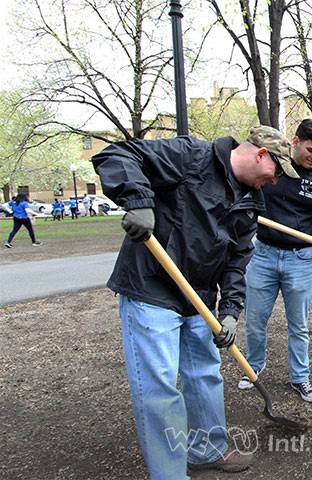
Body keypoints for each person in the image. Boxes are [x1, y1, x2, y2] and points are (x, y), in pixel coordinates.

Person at [91, 125, 298, 479]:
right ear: (261, 154)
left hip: (198, 297)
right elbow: (117, 155)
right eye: (276, 171)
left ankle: (207, 451)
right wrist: (139, 202)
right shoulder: (192, 156)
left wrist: (230, 312)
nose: (275, 180)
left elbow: (237, 261)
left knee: (204, 375)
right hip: (151, 287)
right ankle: (170, 474)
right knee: (158, 388)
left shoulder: (250, 203)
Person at [239, 119, 312, 403]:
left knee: (298, 325)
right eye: (311, 150)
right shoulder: (272, 168)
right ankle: (253, 368)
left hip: (300, 261)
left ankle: (300, 377)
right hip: (262, 256)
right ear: (295, 142)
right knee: (254, 320)